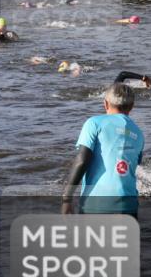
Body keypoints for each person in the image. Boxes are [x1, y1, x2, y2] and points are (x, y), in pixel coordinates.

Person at [61, 82, 145, 216]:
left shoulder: (94, 123)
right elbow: (133, 166)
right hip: (129, 207)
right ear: (132, 106)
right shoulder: (139, 134)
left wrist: (67, 198)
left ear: (105, 103)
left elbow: (82, 160)